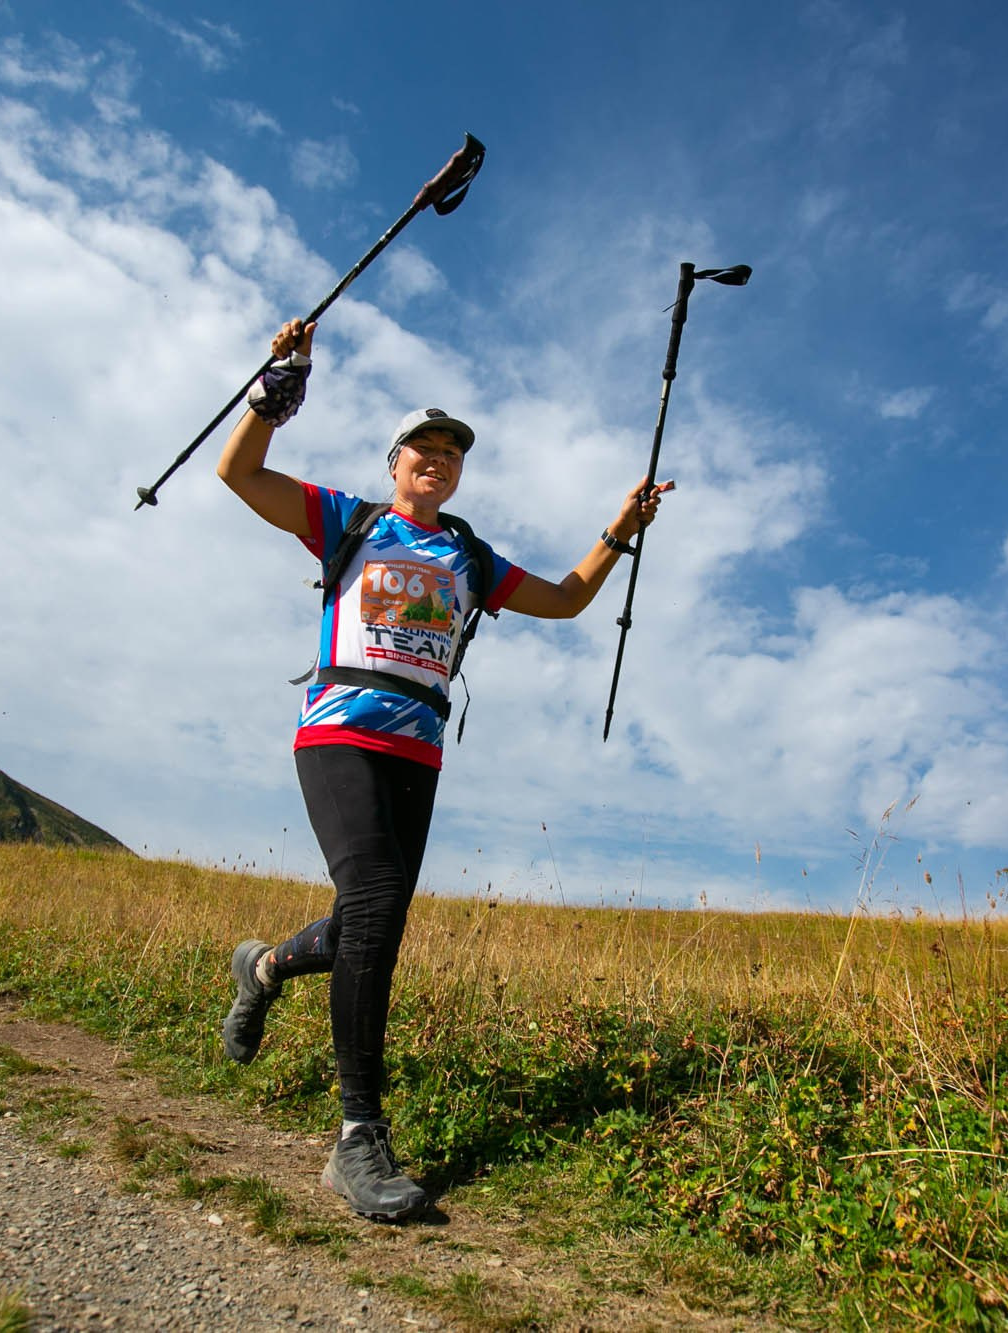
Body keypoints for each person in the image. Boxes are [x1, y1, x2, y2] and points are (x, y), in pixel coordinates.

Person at [213, 317, 670, 1223]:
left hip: (419, 748)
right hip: (340, 729)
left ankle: (263, 968)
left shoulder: (467, 554)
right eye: (424, 446)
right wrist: (278, 382)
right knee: (377, 906)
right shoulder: (353, 520)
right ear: (395, 462)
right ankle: (356, 1138)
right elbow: (239, 474)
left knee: (363, 922)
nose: (440, 458)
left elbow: (569, 600)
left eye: (452, 451)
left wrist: (616, 532)